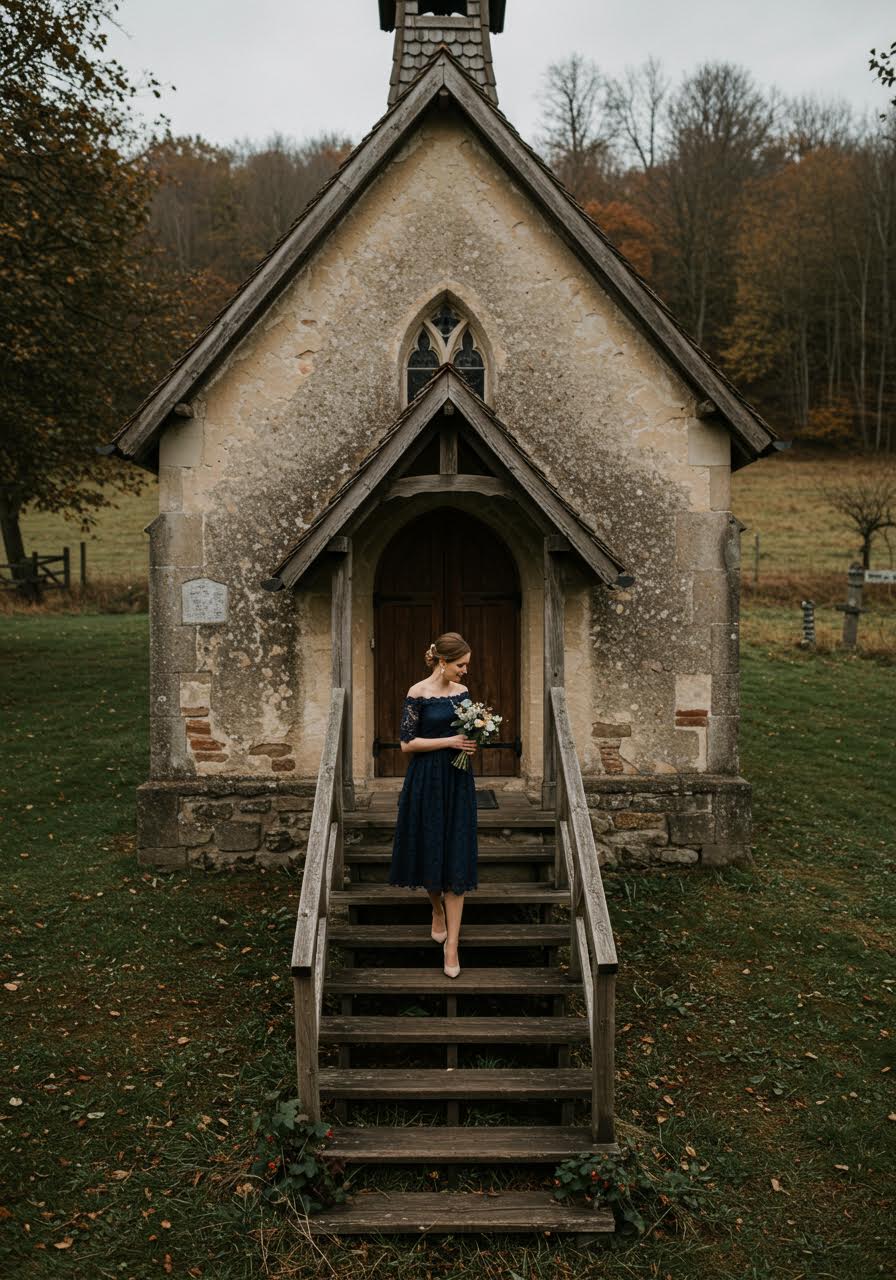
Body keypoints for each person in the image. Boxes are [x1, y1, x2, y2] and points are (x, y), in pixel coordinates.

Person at [388, 632, 478, 978]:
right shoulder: (418, 693)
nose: (465, 671)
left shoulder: (463, 693)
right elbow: (406, 744)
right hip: (425, 780)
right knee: (429, 849)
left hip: (457, 780)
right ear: (443, 661)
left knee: (457, 854)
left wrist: (472, 741)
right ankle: (436, 910)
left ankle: (452, 944)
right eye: (461, 665)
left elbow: (468, 733)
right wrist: (449, 741)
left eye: (466, 665)